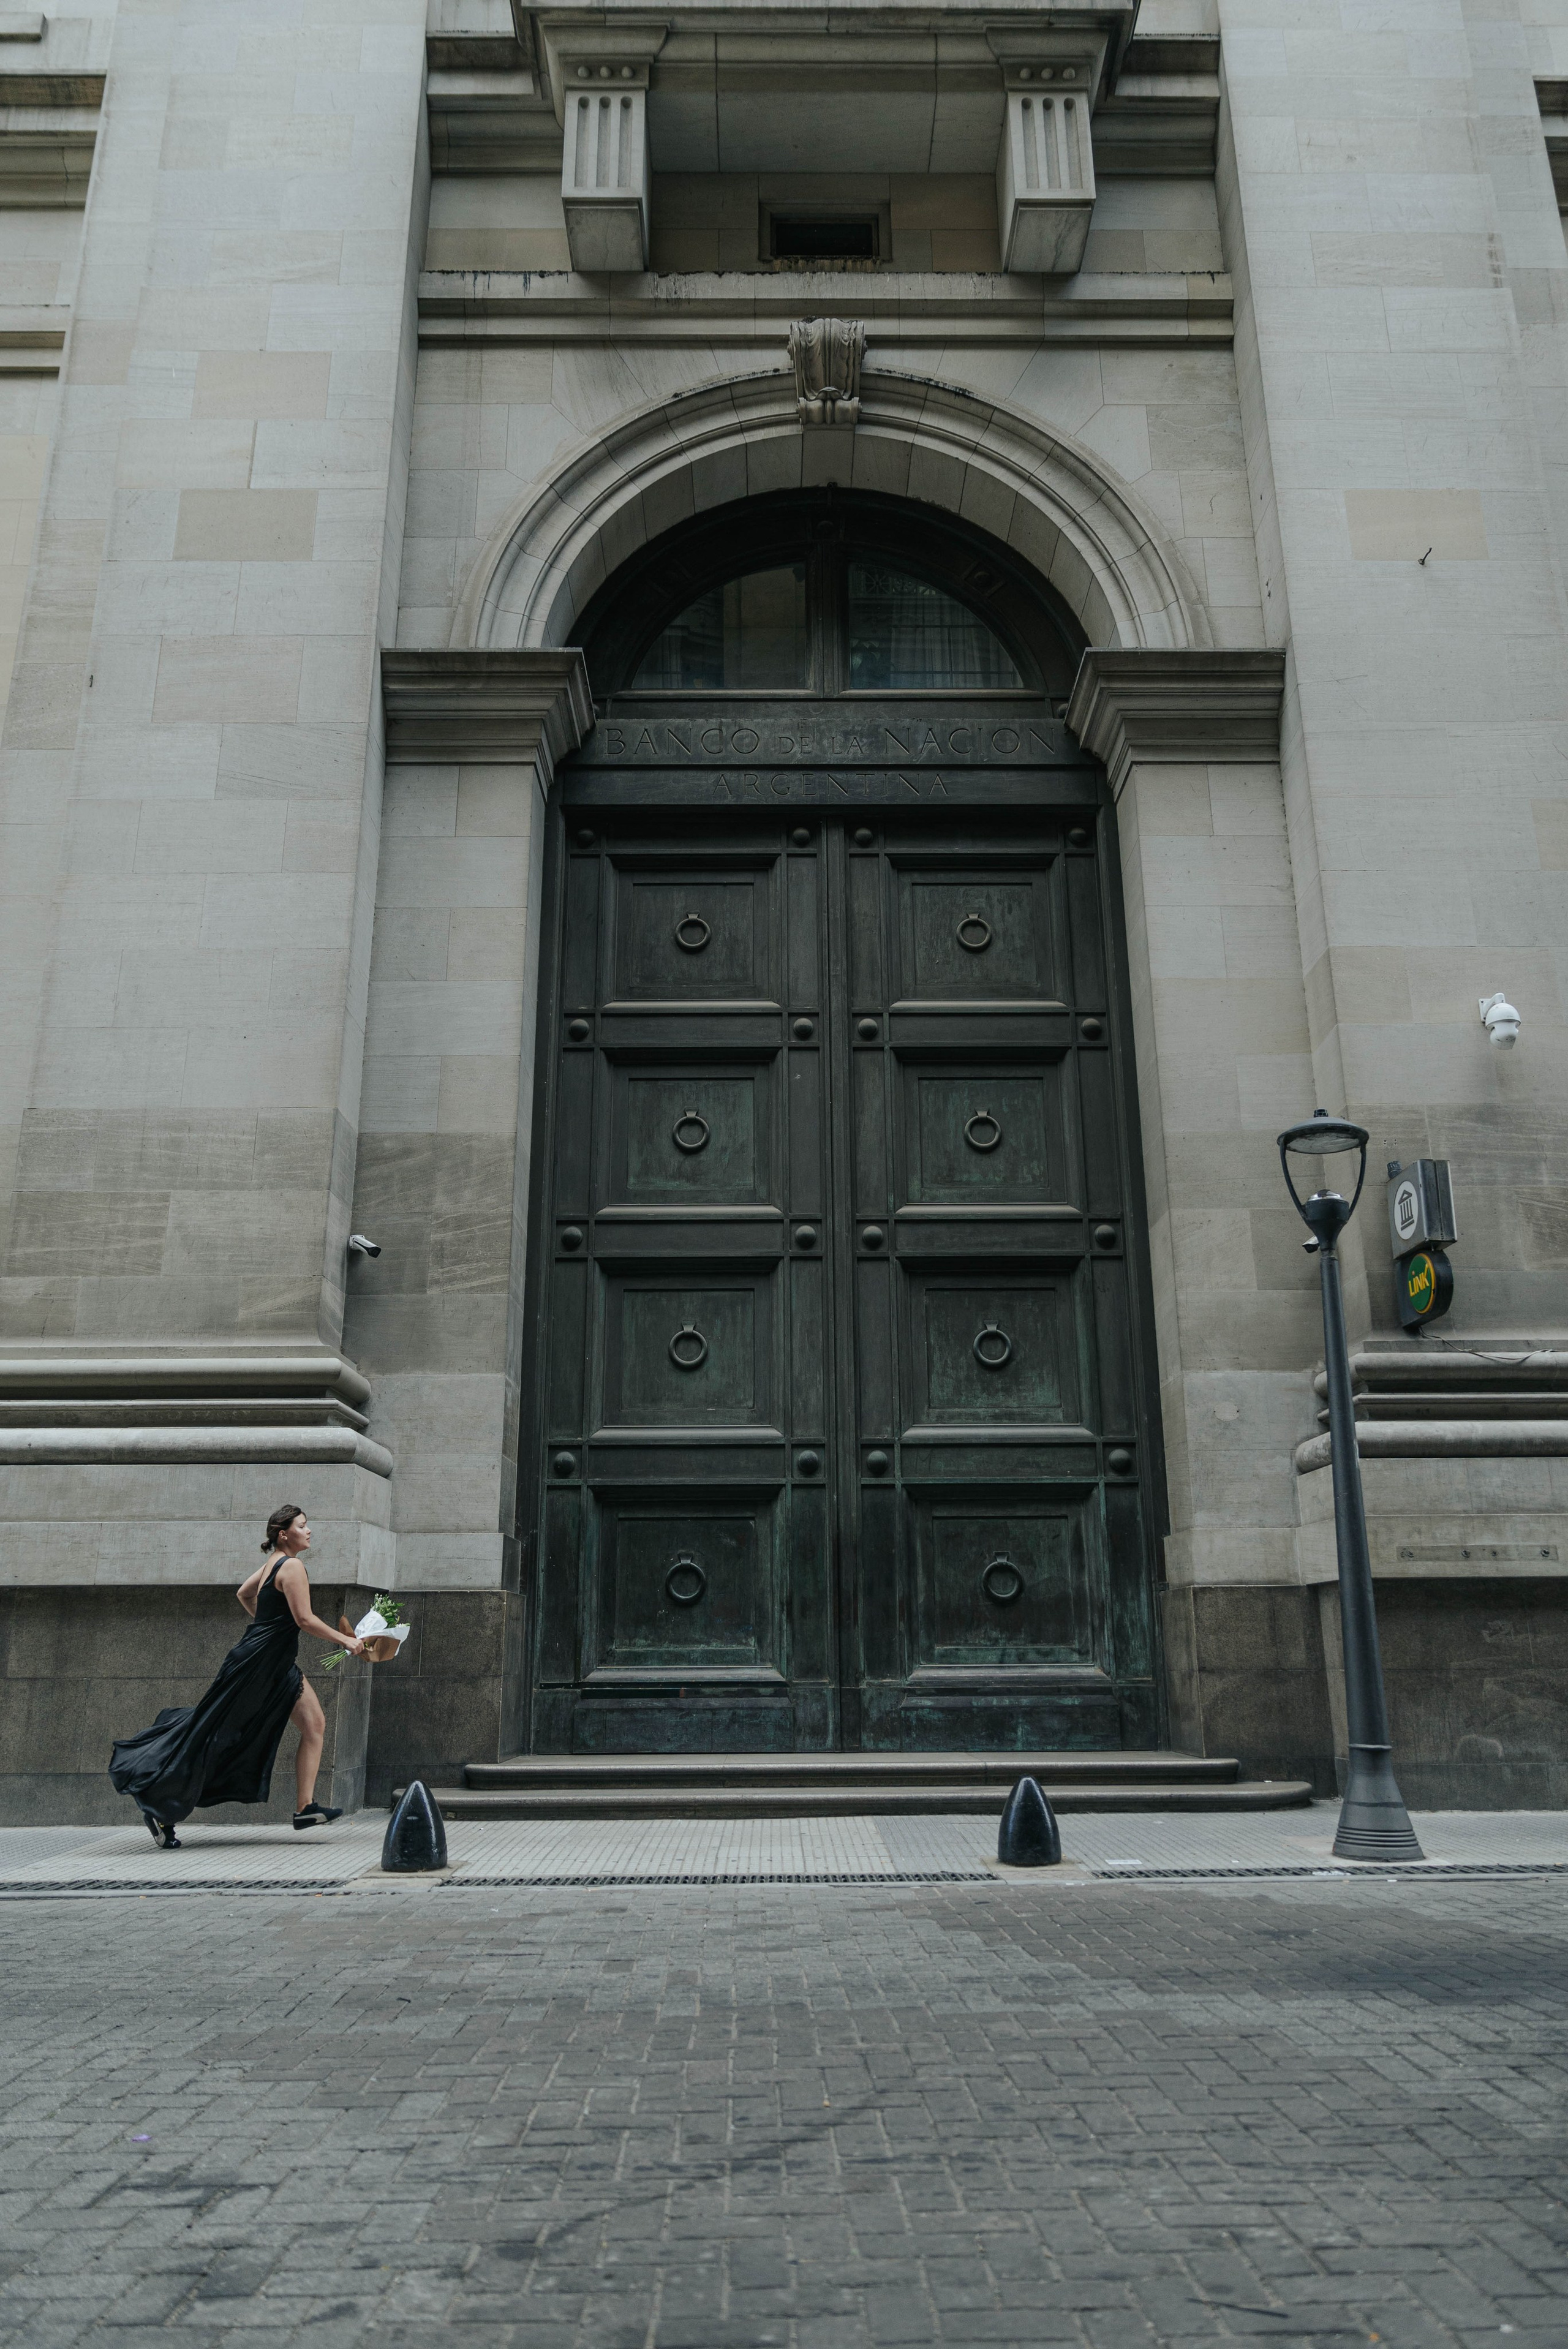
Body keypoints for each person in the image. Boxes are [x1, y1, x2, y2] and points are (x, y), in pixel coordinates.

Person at [108, 1504, 366, 1847]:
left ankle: (305, 1807)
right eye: (303, 1526)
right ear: (284, 1533)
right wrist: (346, 1640)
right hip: (258, 1666)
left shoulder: (272, 1564)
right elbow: (304, 1620)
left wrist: (268, 1627)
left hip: (274, 1663)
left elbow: (244, 1594)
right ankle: (158, 1805)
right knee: (213, 1734)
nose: (309, 1531)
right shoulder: (291, 1567)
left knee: (315, 1724)